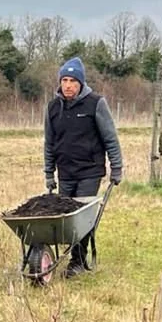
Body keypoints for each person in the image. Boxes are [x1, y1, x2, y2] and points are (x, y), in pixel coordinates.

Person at [42, 56, 124, 274]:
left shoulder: (96, 104)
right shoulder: (52, 108)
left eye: (73, 81)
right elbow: (49, 143)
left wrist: (117, 168)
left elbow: (110, 138)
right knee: (66, 219)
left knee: (82, 216)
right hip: (65, 172)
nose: (68, 85)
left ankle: (77, 261)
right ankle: (66, 256)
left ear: (81, 83)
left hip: (90, 171)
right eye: (64, 80)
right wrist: (49, 172)